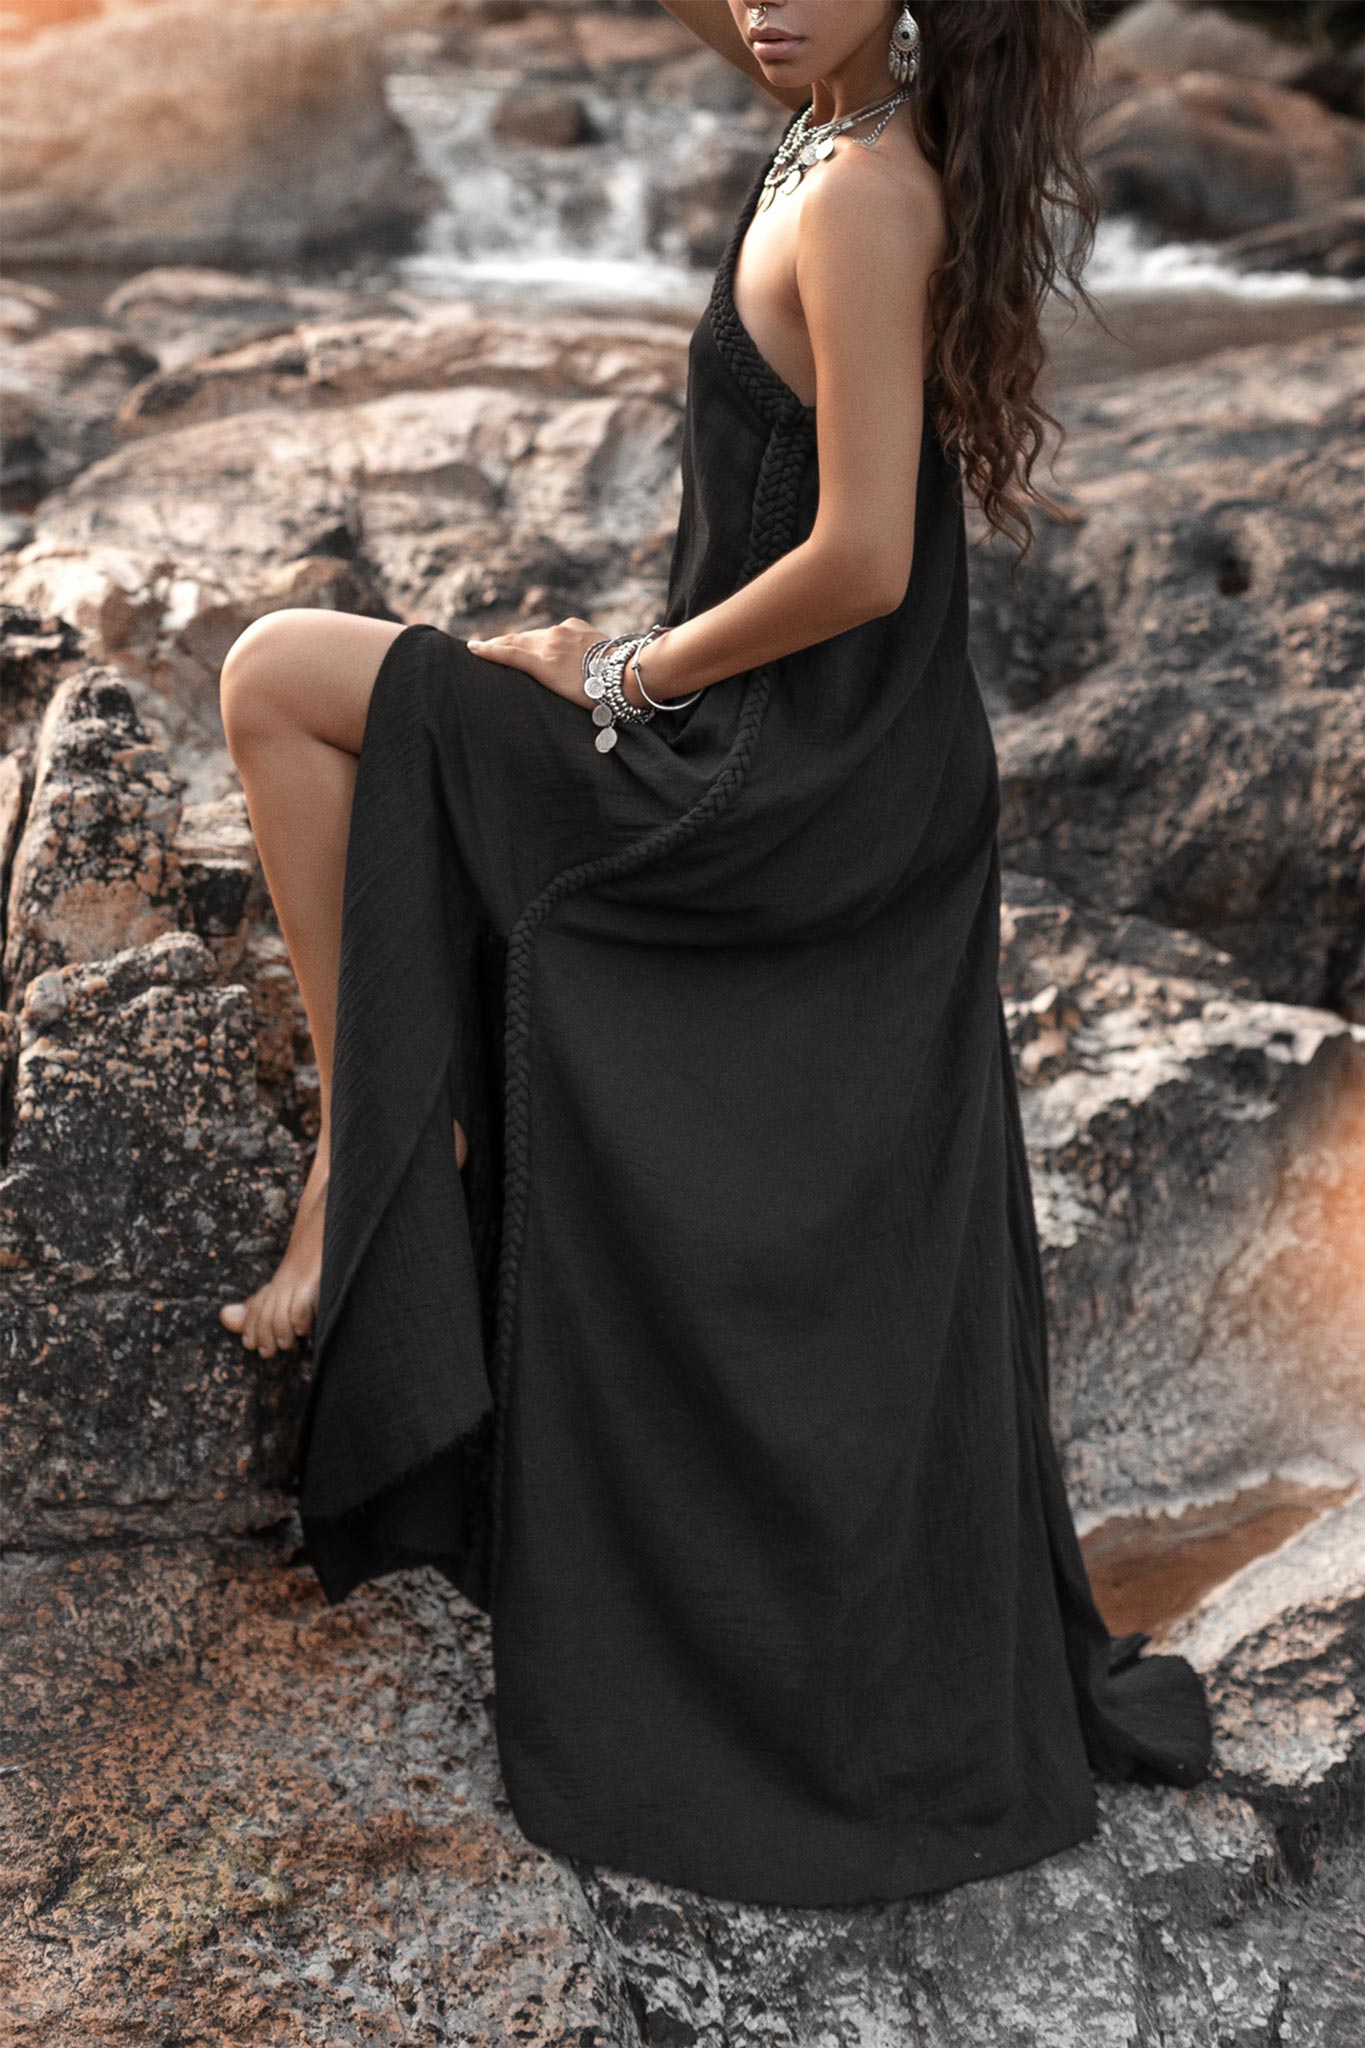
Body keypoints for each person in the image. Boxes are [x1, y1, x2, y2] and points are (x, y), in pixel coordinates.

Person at [216, 1, 1214, 1907]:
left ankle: (369, 1143)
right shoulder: (831, 110)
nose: (752, 0)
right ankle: (384, 1132)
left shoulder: (859, 197)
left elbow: (859, 560)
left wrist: (606, 676)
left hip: (772, 778)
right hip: (820, 758)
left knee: (275, 679)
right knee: (336, 685)